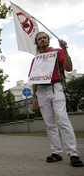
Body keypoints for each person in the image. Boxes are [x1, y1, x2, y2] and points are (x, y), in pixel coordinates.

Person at [30, 31, 83, 167]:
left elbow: (69, 68)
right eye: (39, 39)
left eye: (44, 38)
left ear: (48, 40)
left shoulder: (57, 52)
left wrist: (65, 50)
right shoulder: (36, 59)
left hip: (56, 87)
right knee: (49, 123)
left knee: (62, 118)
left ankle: (73, 153)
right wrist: (34, 95)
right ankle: (56, 152)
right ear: (37, 43)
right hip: (41, 91)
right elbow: (34, 78)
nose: (42, 40)